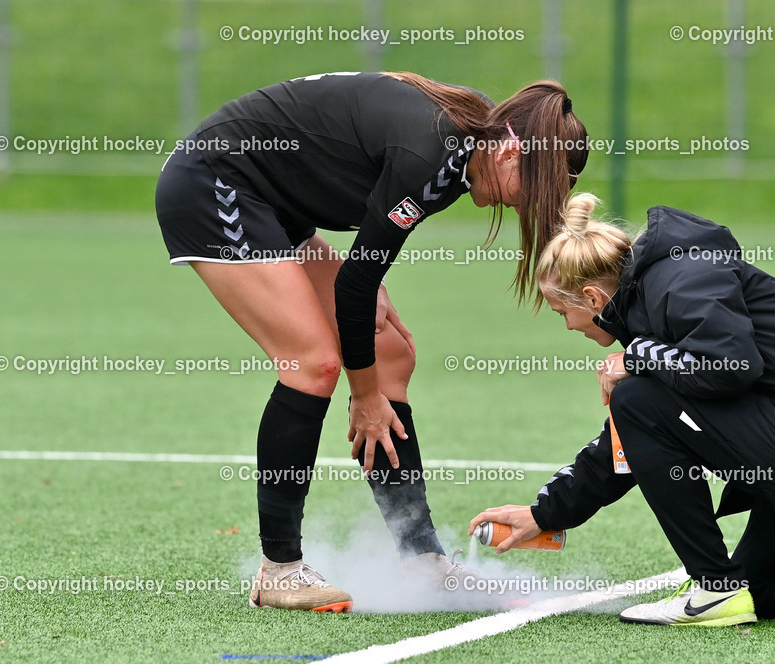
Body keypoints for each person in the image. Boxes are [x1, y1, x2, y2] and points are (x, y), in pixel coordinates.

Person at [155, 71, 587, 611]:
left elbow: (361, 269)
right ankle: (279, 569)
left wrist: (364, 283)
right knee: (312, 365)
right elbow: (354, 289)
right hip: (216, 184)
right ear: (509, 154)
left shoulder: (475, 136)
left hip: (276, 201)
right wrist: (364, 399)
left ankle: (423, 562)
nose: (524, 208)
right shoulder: (435, 154)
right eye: (534, 190)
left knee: (388, 352)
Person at [470, 193, 775, 630]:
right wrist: (545, 513)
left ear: (594, 299)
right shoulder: (652, 301)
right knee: (757, 596)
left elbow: (730, 367)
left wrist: (637, 358)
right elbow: (630, 440)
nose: (567, 326)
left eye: (563, 314)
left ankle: (711, 588)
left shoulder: (680, 277)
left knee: (635, 399)